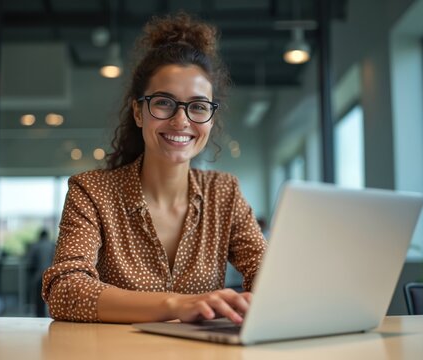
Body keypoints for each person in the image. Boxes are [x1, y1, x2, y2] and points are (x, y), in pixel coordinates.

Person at [42, 12, 267, 324]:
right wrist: (176, 305)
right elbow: (64, 291)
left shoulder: (224, 192)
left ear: (211, 119)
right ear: (138, 112)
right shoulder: (92, 192)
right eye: (164, 102)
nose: (181, 120)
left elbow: (268, 275)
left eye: (198, 106)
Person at [26, 229, 55, 317]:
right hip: (51, 275)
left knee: (39, 299)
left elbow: (29, 261)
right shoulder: (52, 245)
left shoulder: (35, 246)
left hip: (38, 275)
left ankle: (40, 316)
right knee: (51, 297)